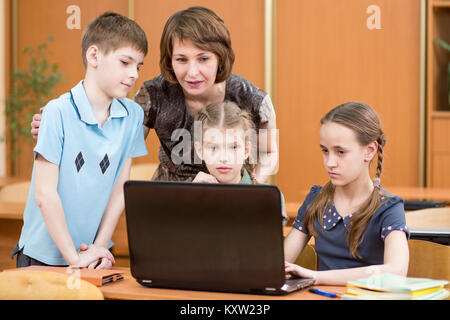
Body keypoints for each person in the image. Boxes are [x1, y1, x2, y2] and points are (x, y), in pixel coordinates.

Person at [31, 6, 278, 183]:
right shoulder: (153, 94)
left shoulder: (253, 99)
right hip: (169, 202)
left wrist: (254, 184)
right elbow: (113, 141)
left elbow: (269, 152)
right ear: (170, 61)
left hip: (232, 200)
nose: (192, 72)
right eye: (181, 59)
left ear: (220, 58)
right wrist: (62, 129)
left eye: (203, 59)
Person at [12, 12, 148, 269]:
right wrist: (73, 259)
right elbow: (44, 194)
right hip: (42, 257)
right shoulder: (57, 112)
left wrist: (98, 247)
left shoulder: (133, 115)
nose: (134, 75)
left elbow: (121, 188)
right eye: (125, 62)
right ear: (94, 55)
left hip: (94, 257)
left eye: (138, 66)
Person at [284, 101, 410, 286]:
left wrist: (316, 277)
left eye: (340, 152)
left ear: (369, 151)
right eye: (325, 151)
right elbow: (279, 262)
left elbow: (397, 272)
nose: (330, 162)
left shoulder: (388, 208)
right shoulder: (316, 200)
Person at [192, 100, 288, 225]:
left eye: (233, 147)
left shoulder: (268, 197)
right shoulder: (187, 196)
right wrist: (190, 198)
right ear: (200, 151)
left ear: (246, 150)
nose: (223, 158)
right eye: (213, 148)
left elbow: (271, 241)